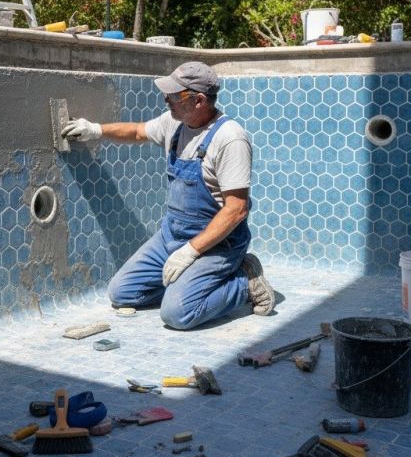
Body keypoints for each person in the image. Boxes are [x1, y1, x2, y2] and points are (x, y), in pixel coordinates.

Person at [61, 61, 274, 330]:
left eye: (174, 96)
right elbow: (138, 132)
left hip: (217, 245)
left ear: (198, 100)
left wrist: (190, 251)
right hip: (171, 237)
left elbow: (237, 209)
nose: (166, 100)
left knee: (178, 314)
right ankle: (187, 287)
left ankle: (245, 281)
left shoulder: (230, 138)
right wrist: (96, 130)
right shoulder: (174, 122)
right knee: (121, 293)